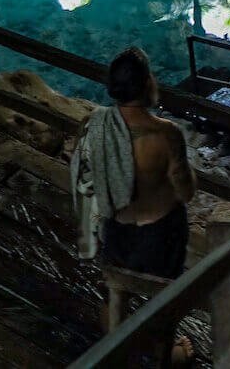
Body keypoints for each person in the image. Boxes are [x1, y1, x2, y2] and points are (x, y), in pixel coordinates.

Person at [71, 47, 196, 361]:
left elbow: (86, 177)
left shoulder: (94, 124)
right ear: (147, 84)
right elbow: (186, 193)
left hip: (117, 230)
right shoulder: (167, 134)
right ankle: (166, 356)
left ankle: (117, 348)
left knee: (115, 292)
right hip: (161, 236)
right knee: (164, 299)